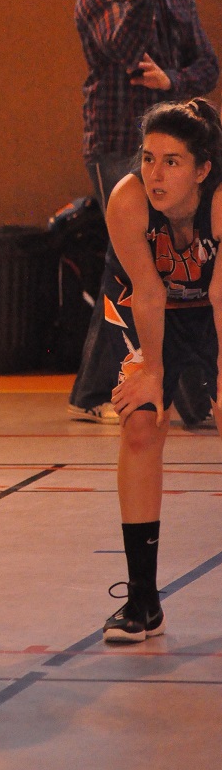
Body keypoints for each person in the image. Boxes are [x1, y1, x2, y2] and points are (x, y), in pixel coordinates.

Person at [68, 0, 219, 423]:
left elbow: (208, 66)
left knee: (187, 258)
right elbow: (125, 49)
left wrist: (173, 79)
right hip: (119, 144)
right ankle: (97, 392)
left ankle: (192, 378)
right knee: (125, 263)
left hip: (179, 143)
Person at [102, 98, 222, 642]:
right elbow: (148, 294)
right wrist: (151, 371)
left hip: (213, 307)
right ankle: (142, 599)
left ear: (202, 170)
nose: (155, 173)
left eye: (172, 162)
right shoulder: (128, 201)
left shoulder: (219, 203)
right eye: (149, 158)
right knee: (142, 424)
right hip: (149, 307)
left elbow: (221, 294)